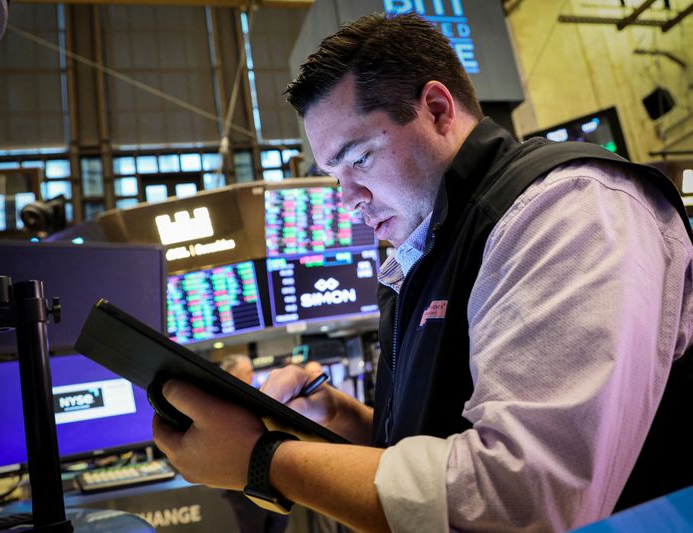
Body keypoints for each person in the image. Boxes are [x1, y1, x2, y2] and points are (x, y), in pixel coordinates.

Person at [153, 13, 693, 532]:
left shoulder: (568, 211)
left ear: (437, 109)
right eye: (333, 174)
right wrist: (337, 414)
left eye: (359, 158)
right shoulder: (431, 247)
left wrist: (263, 460)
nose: (347, 199)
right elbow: (434, 446)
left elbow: (522, 502)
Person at [219, 354, 290, 533]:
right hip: (242, 485)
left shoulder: (257, 397)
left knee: (278, 525)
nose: (252, 375)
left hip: (272, 478)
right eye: (248, 371)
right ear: (235, 375)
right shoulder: (221, 404)